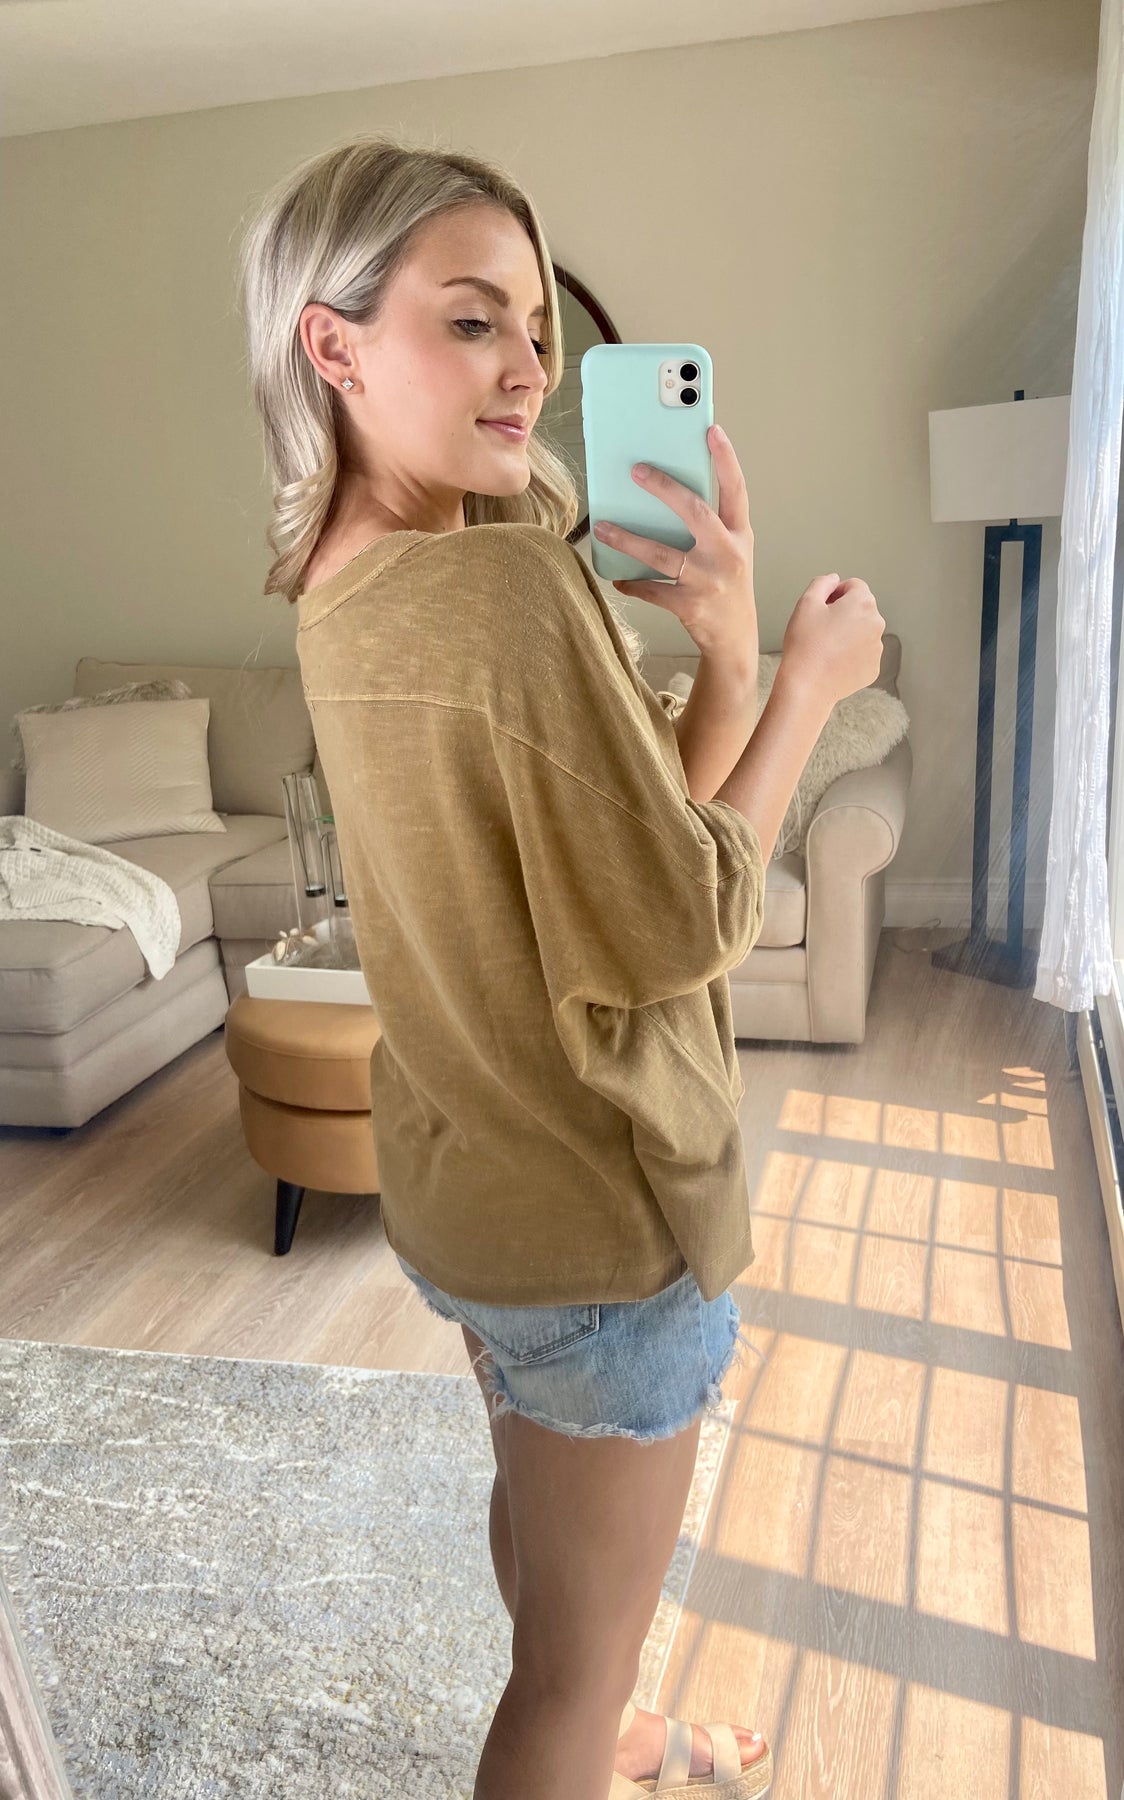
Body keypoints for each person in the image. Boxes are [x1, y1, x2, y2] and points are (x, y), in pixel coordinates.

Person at [237, 131, 885, 1800]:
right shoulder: (507, 587)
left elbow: (631, 840)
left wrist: (720, 649)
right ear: (334, 346)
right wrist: (806, 681)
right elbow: (686, 917)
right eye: (473, 321)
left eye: (535, 325)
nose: (531, 367)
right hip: (596, 1209)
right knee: (557, 1681)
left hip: (469, 1183)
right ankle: (598, 1725)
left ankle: (621, 1729)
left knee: (542, 1521)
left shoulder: (337, 587)